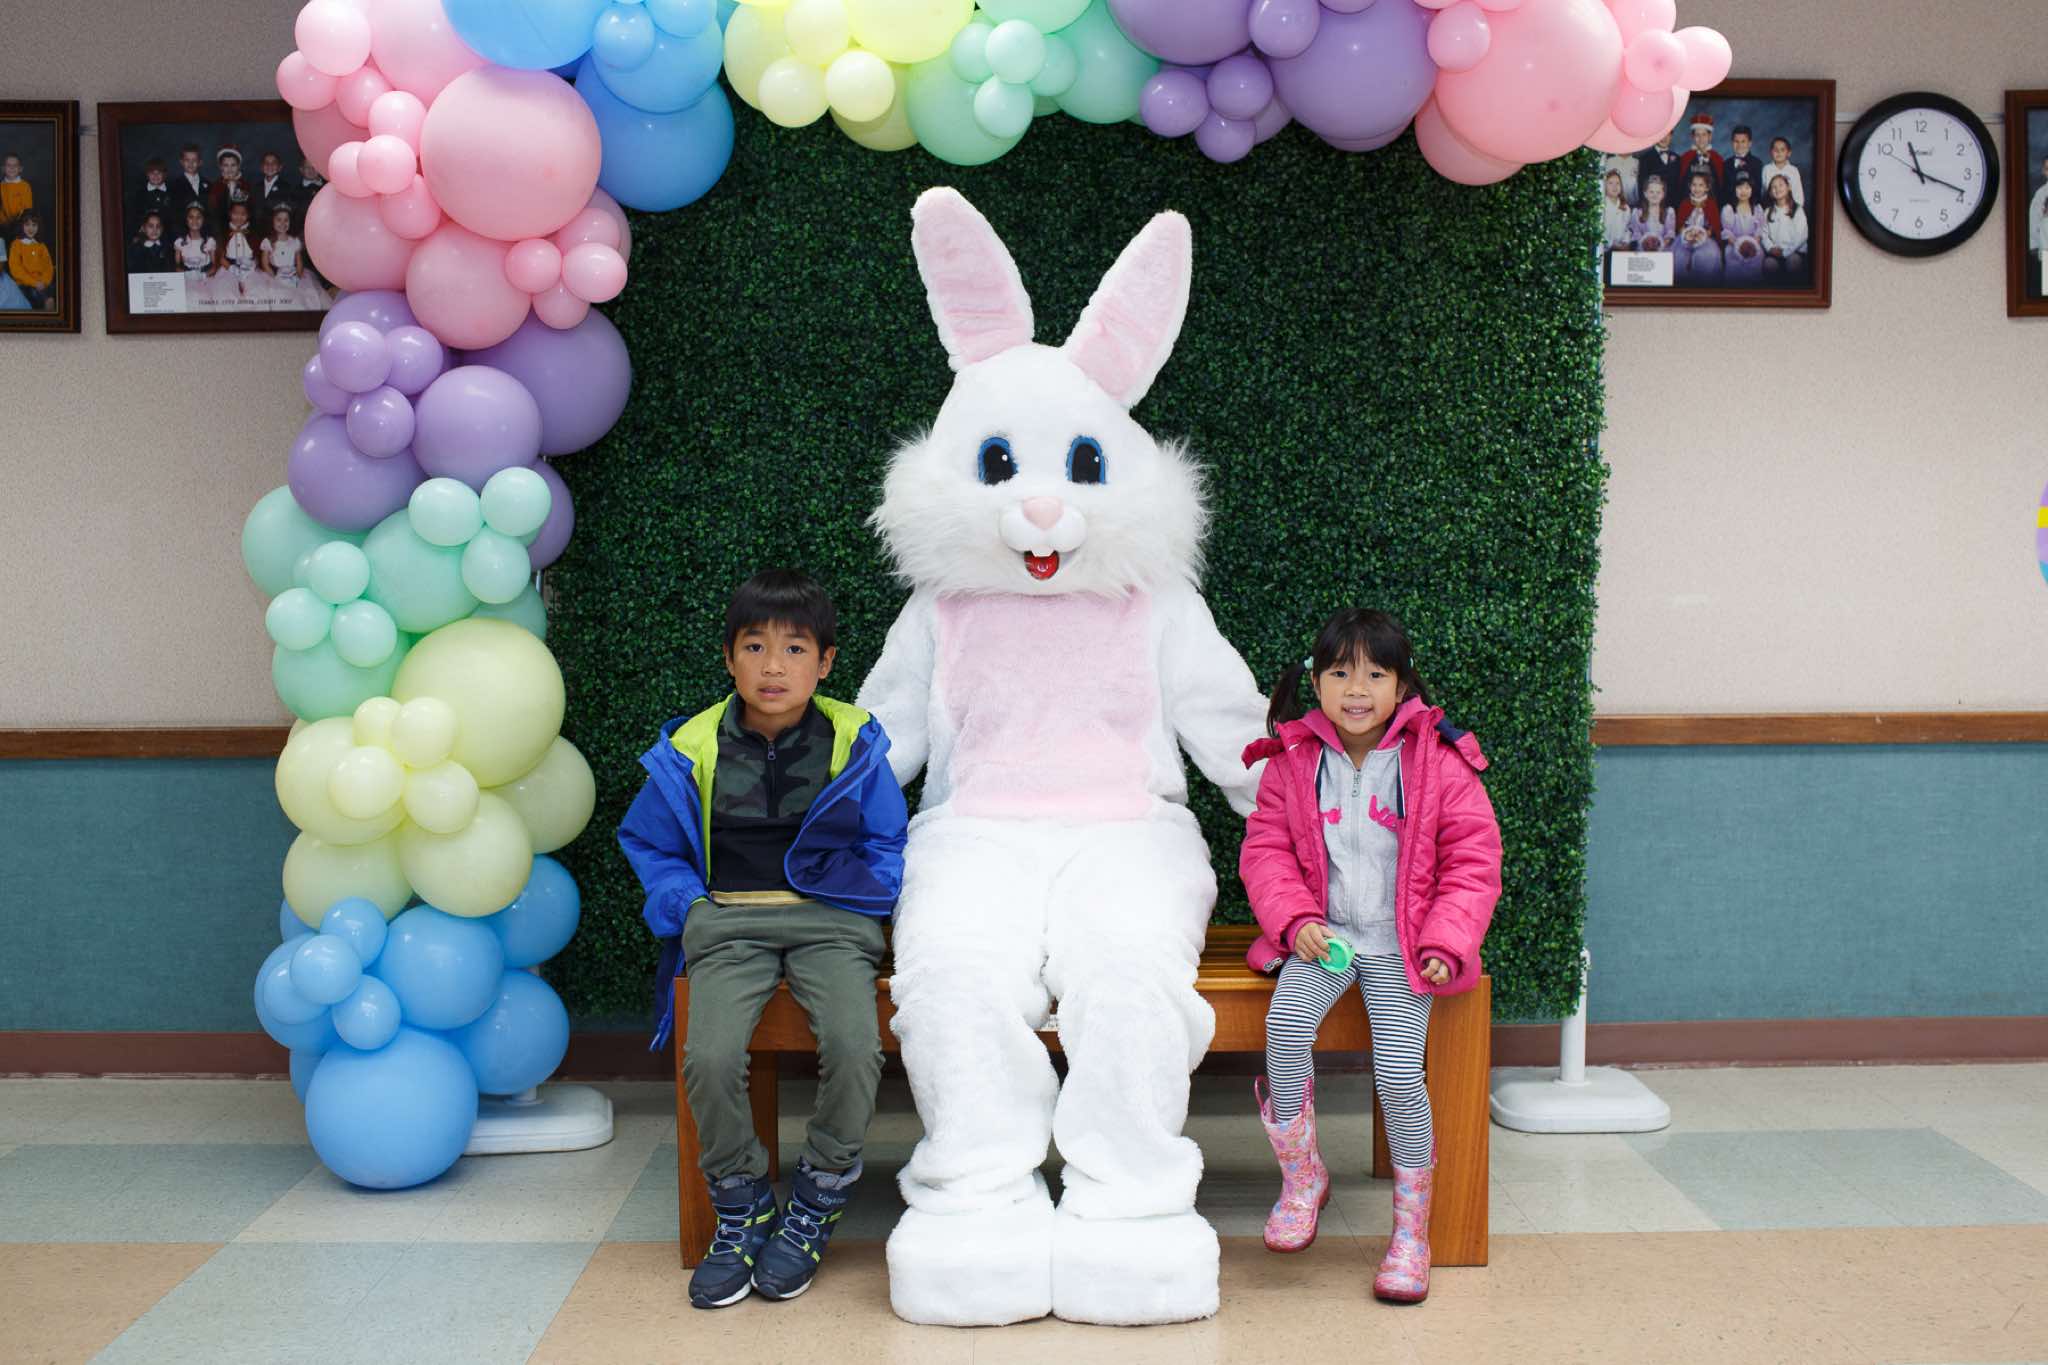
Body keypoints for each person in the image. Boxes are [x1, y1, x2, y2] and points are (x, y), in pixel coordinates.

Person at [619, 569, 907, 1311]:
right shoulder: (692, 745)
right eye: (754, 647)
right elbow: (651, 843)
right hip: (728, 920)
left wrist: (863, 898)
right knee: (710, 1056)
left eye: (794, 648)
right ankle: (743, 1202)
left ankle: (817, 1195)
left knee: (856, 1047)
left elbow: (886, 840)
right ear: (729, 658)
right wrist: (690, 908)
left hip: (831, 921)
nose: (773, 666)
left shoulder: (854, 739)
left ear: (826, 661)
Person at [1241, 608, 1500, 1304]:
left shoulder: (1440, 761)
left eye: (1375, 674)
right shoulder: (1293, 761)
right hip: (1327, 940)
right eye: (1340, 672)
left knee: (1398, 1073)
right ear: (1316, 683)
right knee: (1284, 1030)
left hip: (1401, 943)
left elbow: (1473, 860)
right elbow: (1266, 852)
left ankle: (1411, 1232)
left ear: (1401, 684)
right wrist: (1296, 920)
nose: (1357, 689)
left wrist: (1446, 940)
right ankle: (1303, 1179)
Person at [259, 204, 325, 310]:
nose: (283, 223)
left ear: (290, 222)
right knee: (277, 293)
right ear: (273, 221)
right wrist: (273, 276)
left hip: (293, 275)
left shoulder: (294, 241)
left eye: (286, 220)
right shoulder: (268, 242)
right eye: (279, 220)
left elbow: (299, 261)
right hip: (275, 275)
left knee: (303, 295)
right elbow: (265, 263)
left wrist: (298, 275)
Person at [1674, 169, 1724, 284]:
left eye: (1701, 185)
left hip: (1705, 238)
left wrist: (1704, 235)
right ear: (1689, 186)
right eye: (1694, 185)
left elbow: (1713, 226)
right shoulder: (1685, 203)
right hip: (1685, 237)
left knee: (1707, 255)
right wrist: (1686, 234)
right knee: (1679, 257)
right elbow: (1680, 225)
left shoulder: (1711, 204)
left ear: (1707, 188)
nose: (1697, 188)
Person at [1762, 172, 1808, 280]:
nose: (1777, 189)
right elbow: (1764, 234)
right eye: (1773, 187)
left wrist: (1786, 252)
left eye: (1780, 185)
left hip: (1794, 251)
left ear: (1789, 187)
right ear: (1770, 193)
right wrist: (1770, 248)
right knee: (1768, 265)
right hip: (1775, 252)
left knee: (1793, 263)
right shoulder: (1768, 211)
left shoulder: (1797, 210)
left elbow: (1801, 236)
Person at [1720, 173, 1765, 285]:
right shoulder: (1729, 209)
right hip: (1734, 243)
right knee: (1731, 256)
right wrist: (1738, 245)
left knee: (1757, 255)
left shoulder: (1757, 208)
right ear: (1734, 189)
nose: (1743, 191)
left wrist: (1753, 243)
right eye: (1739, 187)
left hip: (1753, 243)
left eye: (1747, 187)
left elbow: (1760, 228)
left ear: (1752, 189)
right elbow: (1727, 231)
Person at [211, 201, 259, 306]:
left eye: (243, 214)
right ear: (230, 213)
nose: (239, 217)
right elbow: (221, 258)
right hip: (229, 269)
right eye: (235, 213)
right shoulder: (224, 233)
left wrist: (252, 267)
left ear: (248, 215)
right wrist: (232, 269)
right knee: (225, 293)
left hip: (249, 270)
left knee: (256, 292)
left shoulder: (252, 234)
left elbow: (256, 255)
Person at [173, 202, 218, 307]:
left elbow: (214, 266)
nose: (195, 220)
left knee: (205, 299)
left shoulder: (209, 241)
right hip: (187, 279)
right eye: (191, 217)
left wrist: (203, 275)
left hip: (205, 279)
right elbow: (177, 266)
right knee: (188, 299)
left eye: (199, 217)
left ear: (204, 220)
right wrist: (187, 275)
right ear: (186, 220)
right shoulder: (180, 242)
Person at [1678, 111, 1727, 205]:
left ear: (1710, 136)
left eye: (1704, 135)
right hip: (1689, 204)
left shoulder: (1717, 159)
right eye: (1697, 135)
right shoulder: (1685, 158)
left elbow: (1721, 187)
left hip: (1712, 205)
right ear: (1692, 137)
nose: (1701, 139)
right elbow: (1681, 186)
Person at [8, 212, 54, 308]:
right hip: (24, 283)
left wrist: (44, 281)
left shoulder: (41, 246)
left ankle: (49, 304)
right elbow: (16, 269)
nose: (31, 228)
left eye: (34, 225)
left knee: (53, 291)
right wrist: (34, 282)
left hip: (41, 282)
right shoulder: (16, 244)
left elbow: (48, 266)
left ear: (38, 226)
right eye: (27, 224)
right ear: (21, 225)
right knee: (32, 295)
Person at [1635, 130, 1682, 211]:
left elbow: (1678, 186)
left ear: (1671, 136)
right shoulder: (1645, 158)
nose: (1664, 138)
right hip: (1652, 207)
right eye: (1661, 134)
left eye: (1667, 134)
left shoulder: (1677, 158)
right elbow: (1642, 186)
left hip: (1672, 207)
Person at [1629, 173, 1676, 254]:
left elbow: (1670, 233)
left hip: (1663, 249)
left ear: (1663, 194)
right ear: (1645, 194)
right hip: (1643, 249)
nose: (1655, 195)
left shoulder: (1669, 212)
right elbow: (1636, 234)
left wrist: (1659, 246)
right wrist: (1646, 245)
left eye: (1658, 192)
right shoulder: (1637, 213)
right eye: (1651, 192)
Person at [209, 146, 253, 229]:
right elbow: (212, 213)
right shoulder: (215, 187)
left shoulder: (246, 186)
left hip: (243, 229)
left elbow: (251, 212)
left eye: (233, 165)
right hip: (220, 230)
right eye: (226, 165)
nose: (229, 169)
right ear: (220, 167)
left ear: (239, 166)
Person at [131, 158, 177, 231]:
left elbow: (176, 217)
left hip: (169, 233)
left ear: (165, 174)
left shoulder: (173, 193)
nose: (155, 176)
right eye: (152, 173)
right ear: (147, 174)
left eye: (159, 173)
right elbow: (134, 217)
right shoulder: (139, 194)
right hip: (145, 233)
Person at [1761, 136, 1804, 207]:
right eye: (1775, 150)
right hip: (1771, 207)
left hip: (1790, 208)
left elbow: (1798, 193)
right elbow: (1764, 191)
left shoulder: (1793, 170)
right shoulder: (1766, 169)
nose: (1779, 152)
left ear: (1789, 153)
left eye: (1782, 150)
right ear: (1771, 152)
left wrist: (1797, 208)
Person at [1725, 125, 1764, 203]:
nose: (1739, 145)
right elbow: (1724, 191)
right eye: (1736, 141)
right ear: (1732, 143)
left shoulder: (1757, 164)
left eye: (1743, 141)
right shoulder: (1726, 164)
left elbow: (1757, 191)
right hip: (1729, 207)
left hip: (1751, 207)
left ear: (1750, 143)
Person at [171, 144, 209, 217]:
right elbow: (174, 211)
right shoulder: (175, 185)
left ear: (200, 162)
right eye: (187, 160)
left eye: (194, 160)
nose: (190, 163)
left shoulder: (208, 184)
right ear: (181, 162)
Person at [0, 153, 30, 233]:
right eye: (8, 165)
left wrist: (19, 222)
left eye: (15, 165)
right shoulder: (1, 186)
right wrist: (4, 222)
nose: (12, 168)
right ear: (3, 168)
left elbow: (27, 207)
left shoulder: (25, 186)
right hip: (3, 225)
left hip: (21, 225)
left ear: (20, 169)